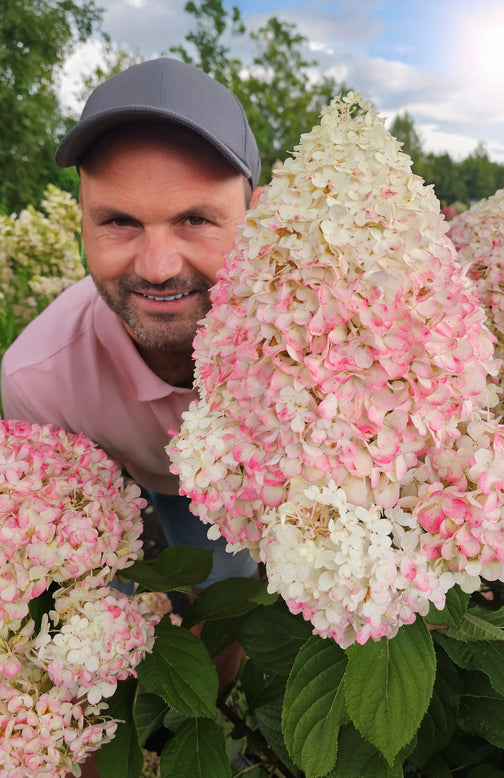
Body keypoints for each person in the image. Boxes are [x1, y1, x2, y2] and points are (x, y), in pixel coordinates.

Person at [0, 58, 262, 705]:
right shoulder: (37, 379)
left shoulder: (323, 337)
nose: (158, 266)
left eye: (195, 219)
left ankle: (215, 716)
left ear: (257, 217)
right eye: (119, 221)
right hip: (119, 477)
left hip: (232, 499)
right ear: (81, 220)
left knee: (226, 598)